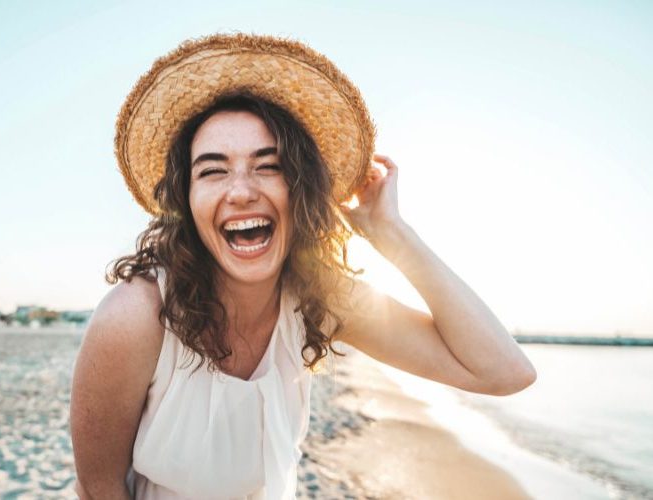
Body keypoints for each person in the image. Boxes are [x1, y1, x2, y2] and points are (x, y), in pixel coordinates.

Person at [70, 33, 537, 500]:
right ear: (186, 201)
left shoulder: (318, 299)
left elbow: (504, 372)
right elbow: (98, 487)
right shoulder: (134, 317)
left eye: (269, 166)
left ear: (301, 189)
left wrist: (392, 233)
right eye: (212, 171)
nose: (241, 191)